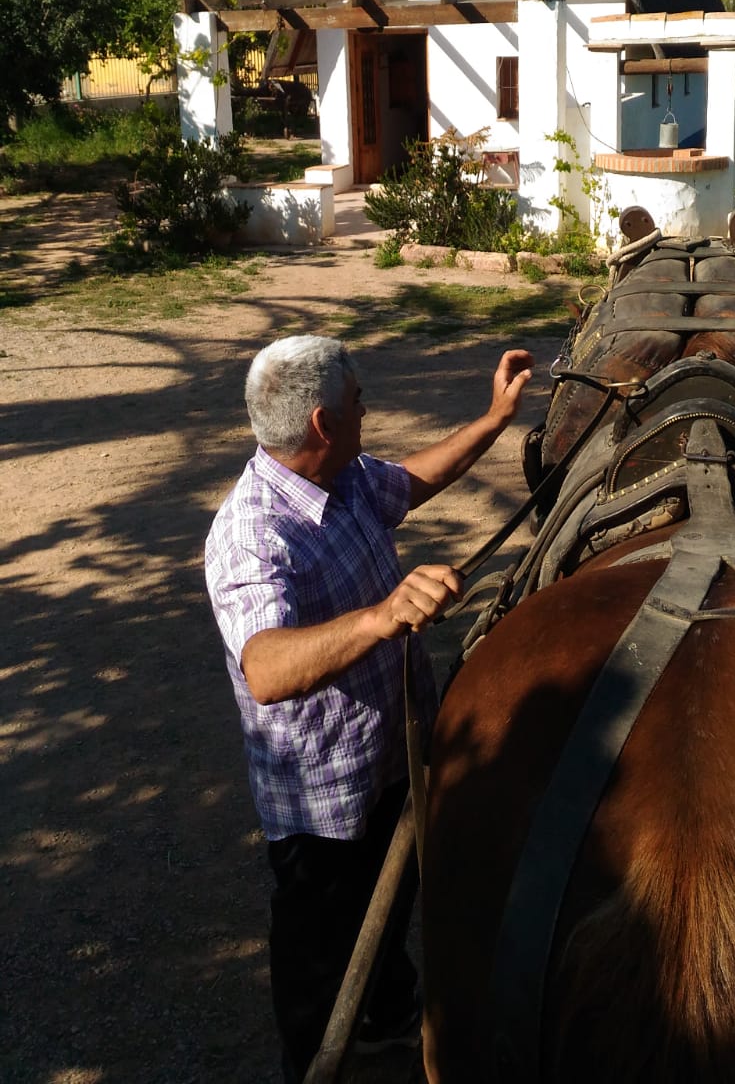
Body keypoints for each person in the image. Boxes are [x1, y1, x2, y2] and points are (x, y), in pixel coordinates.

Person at [205, 333, 534, 1081]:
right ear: (323, 422)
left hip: (390, 754)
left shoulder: (342, 476)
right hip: (323, 797)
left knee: (391, 902)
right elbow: (266, 667)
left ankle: (387, 1011)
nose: (368, 406)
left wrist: (493, 419)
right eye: (357, 400)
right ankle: (318, 1063)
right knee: (321, 946)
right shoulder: (253, 534)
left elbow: (411, 482)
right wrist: (383, 616)